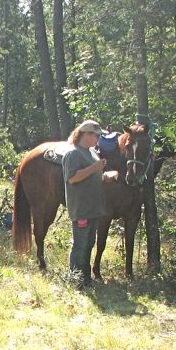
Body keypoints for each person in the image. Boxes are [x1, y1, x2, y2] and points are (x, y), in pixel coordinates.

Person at [62, 120, 119, 285]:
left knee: (89, 244)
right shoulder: (73, 154)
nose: (97, 139)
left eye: (98, 136)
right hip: (81, 208)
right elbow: (72, 178)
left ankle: (86, 279)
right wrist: (95, 168)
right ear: (84, 134)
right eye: (94, 135)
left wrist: (105, 176)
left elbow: (94, 177)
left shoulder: (92, 153)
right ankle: (75, 280)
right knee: (80, 245)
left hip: (94, 208)